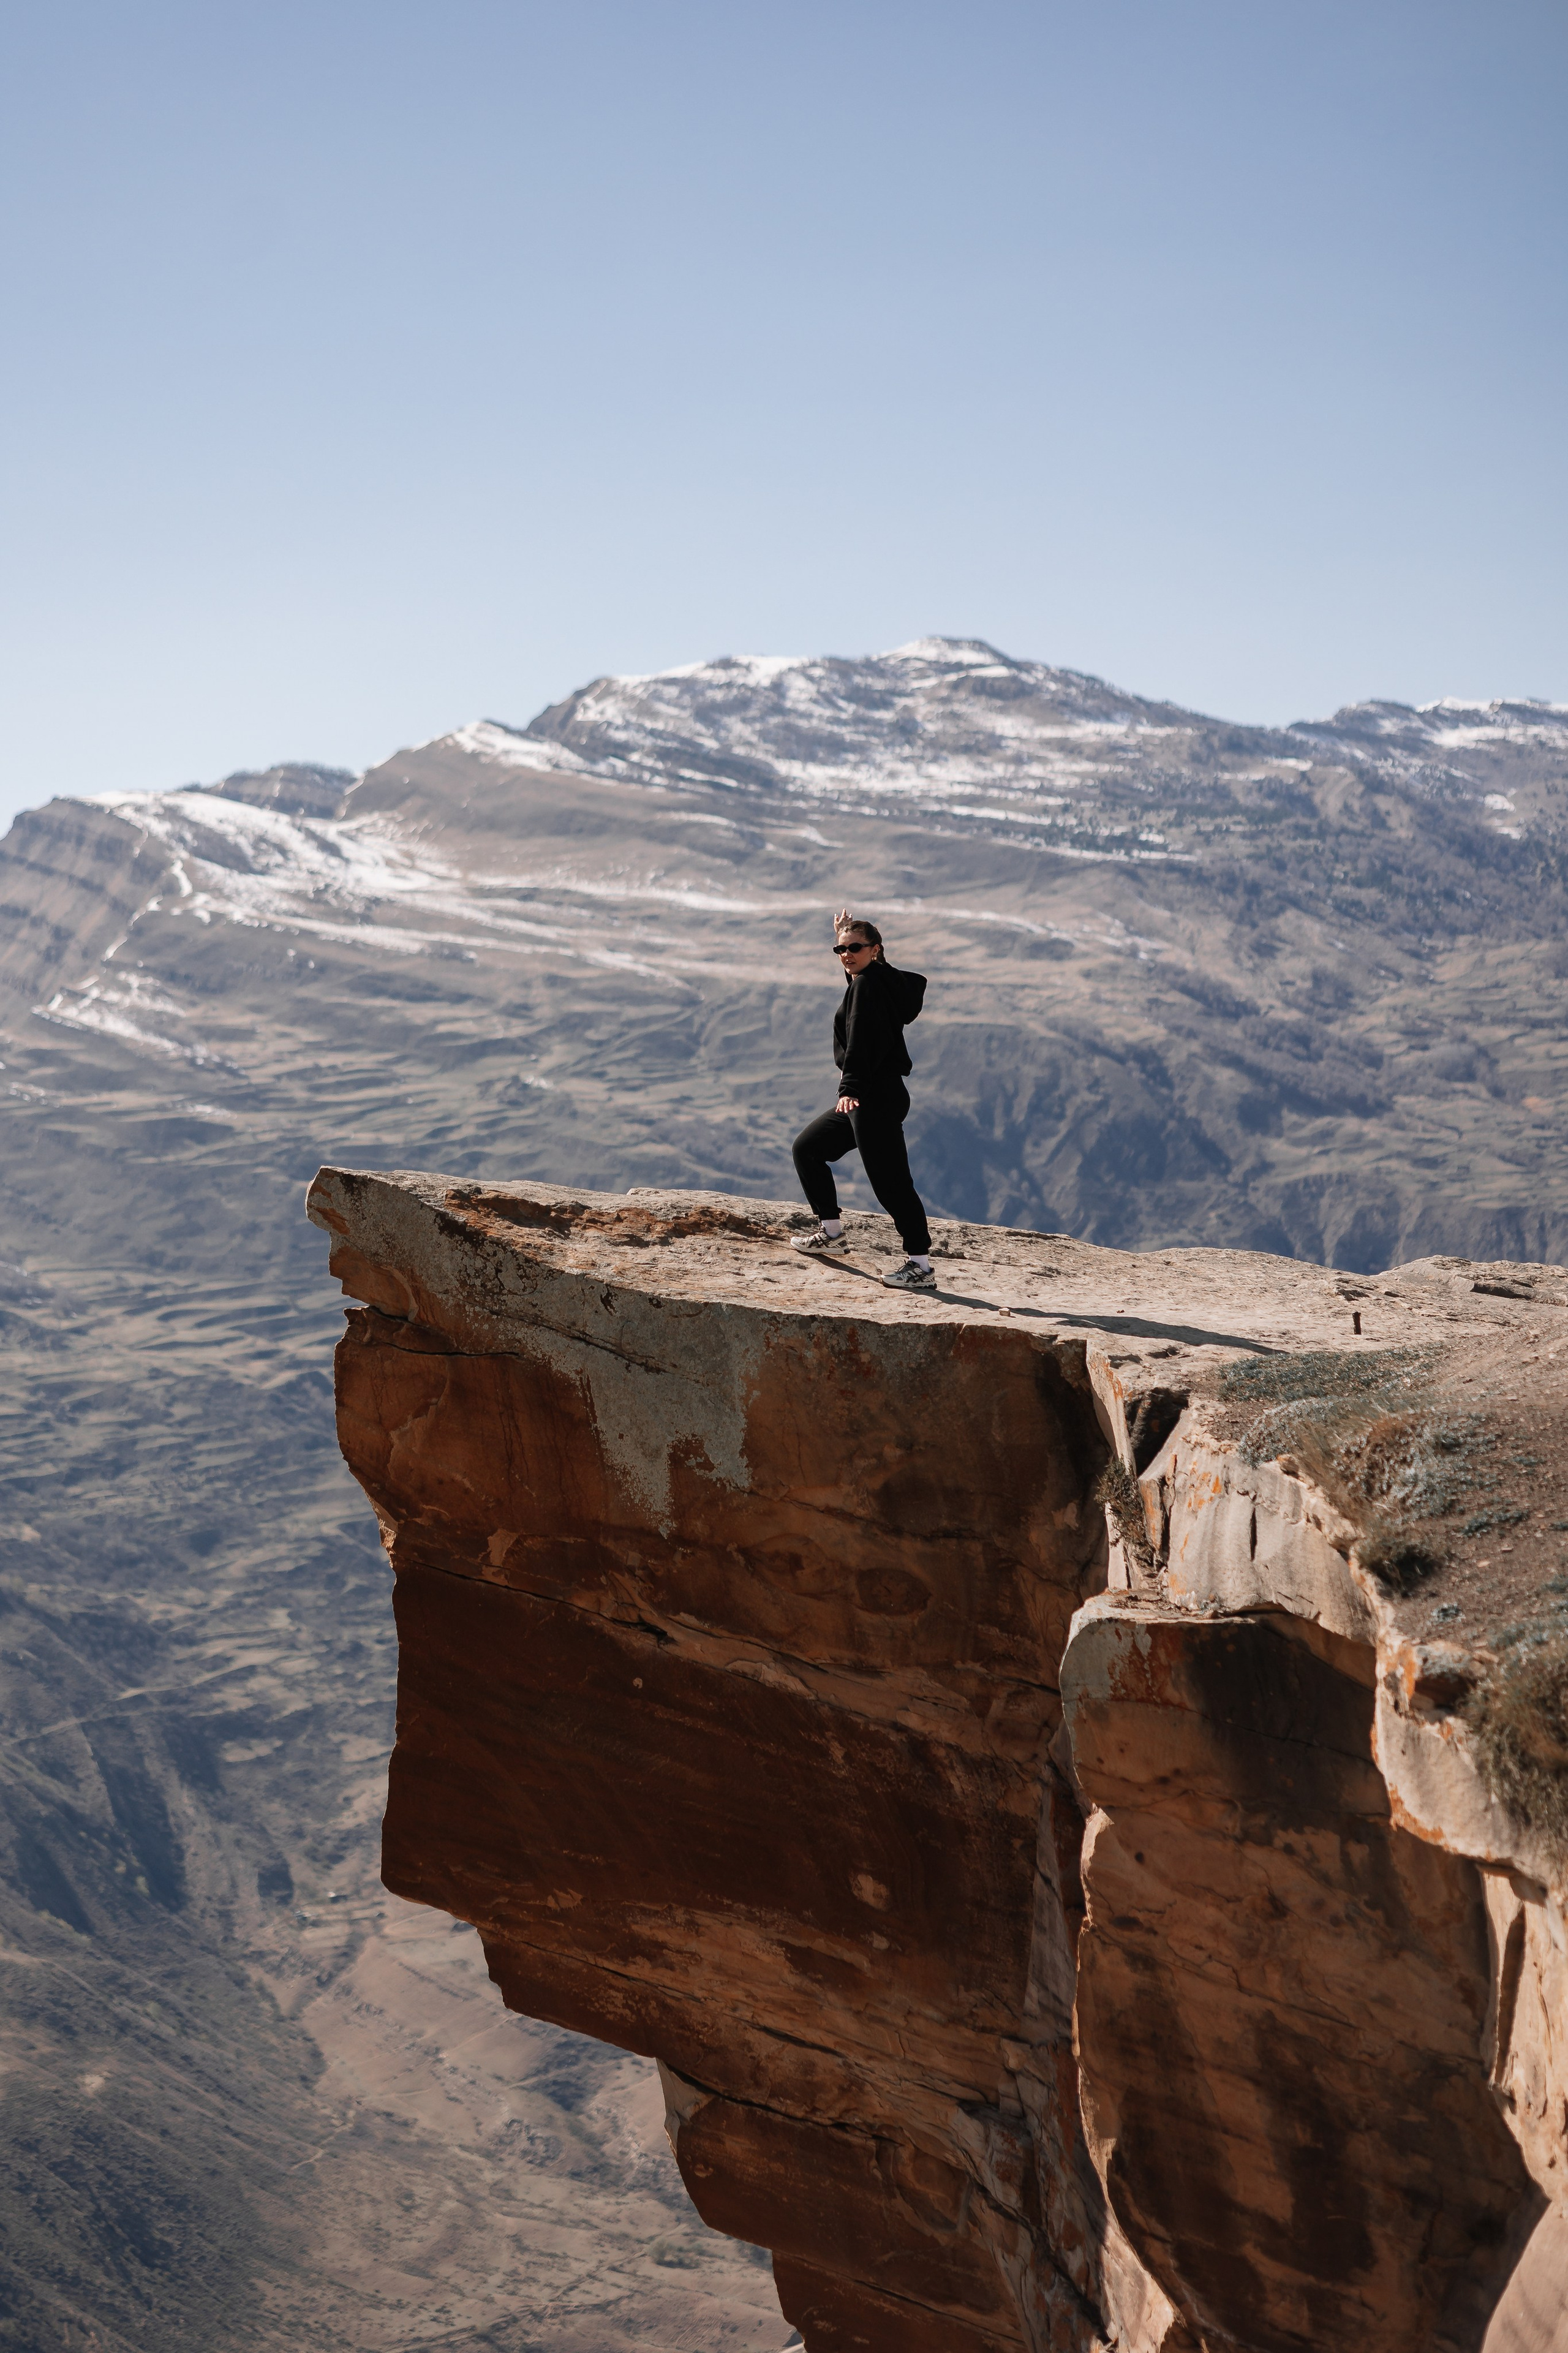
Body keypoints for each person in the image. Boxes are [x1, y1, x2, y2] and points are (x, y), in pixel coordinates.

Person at [790, 911, 937, 1291]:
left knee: (892, 1184)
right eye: (840, 948)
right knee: (808, 1149)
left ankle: (920, 1265)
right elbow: (864, 1000)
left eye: (854, 948)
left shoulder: (868, 986)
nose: (846, 954)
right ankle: (833, 1234)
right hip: (874, 1096)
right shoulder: (878, 982)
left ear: (876, 949)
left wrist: (849, 1088)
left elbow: (861, 1038)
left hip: (872, 1098)